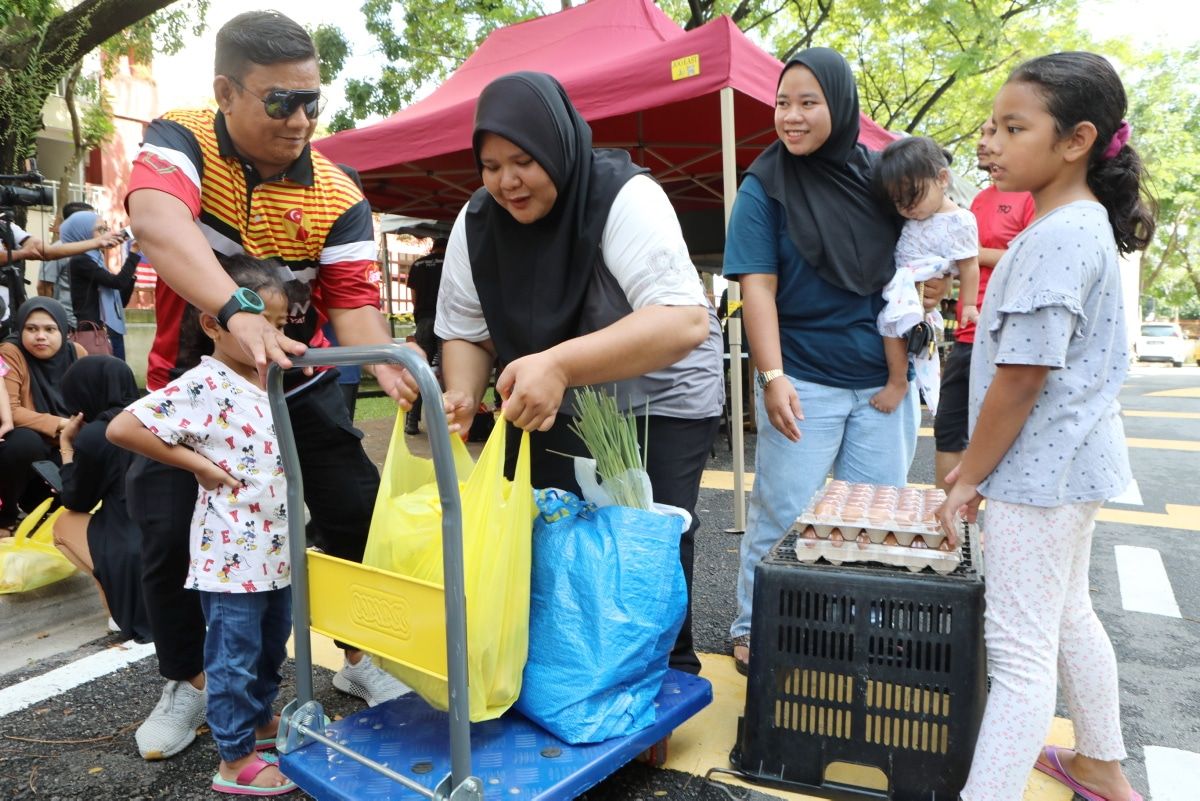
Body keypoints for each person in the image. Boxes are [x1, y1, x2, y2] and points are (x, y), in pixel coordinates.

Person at [123, 10, 415, 761]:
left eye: (313, 99)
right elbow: (157, 224)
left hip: (298, 381)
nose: (302, 118)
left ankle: (357, 657)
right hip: (194, 378)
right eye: (281, 101)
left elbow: (351, 301)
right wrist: (235, 308)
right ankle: (187, 681)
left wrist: (383, 359)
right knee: (163, 532)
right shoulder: (180, 138)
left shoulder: (335, 189)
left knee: (352, 507)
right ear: (226, 91)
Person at [437, 71, 723, 675]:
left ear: (558, 146)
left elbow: (683, 321)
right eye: (490, 166)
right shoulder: (478, 221)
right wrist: (462, 393)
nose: (507, 182)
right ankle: (573, 673)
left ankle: (661, 679)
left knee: (642, 539)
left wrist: (561, 362)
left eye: (523, 160)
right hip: (554, 394)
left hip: (660, 394)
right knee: (556, 529)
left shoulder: (620, 195)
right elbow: (463, 328)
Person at [934, 51, 1155, 801]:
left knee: (1021, 653)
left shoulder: (1059, 234)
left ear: (1076, 140)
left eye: (1011, 126)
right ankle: (1098, 762)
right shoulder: (1075, 224)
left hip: (1039, 473)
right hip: (1072, 465)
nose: (988, 142)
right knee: (1066, 615)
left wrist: (968, 477)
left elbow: (1023, 376)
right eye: (990, 126)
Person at [722, 48, 944, 675]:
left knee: (873, 518)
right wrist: (771, 376)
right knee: (783, 512)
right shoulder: (764, 186)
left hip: (884, 383)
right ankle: (753, 626)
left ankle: (860, 626)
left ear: (840, 105)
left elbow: (923, 249)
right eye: (782, 103)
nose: (791, 117)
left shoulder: (881, 178)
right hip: (804, 379)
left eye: (808, 103)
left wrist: (934, 286)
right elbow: (756, 287)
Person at [109, 258, 297, 796]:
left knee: (268, 647)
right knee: (233, 657)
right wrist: (199, 465)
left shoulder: (265, 380)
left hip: (272, 549)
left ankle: (258, 725)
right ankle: (234, 760)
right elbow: (125, 427)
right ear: (213, 324)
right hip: (231, 556)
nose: (272, 337)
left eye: (281, 326)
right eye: (263, 325)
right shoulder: (205, 381)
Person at [933, 121, 1035, 490]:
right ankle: (948, 528)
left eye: (995, 132)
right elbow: (965, 265)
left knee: (1002, 437)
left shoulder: (1033, 197)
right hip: (966, 333)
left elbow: (1032, 259)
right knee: (948, 430)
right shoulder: (979, 199)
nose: (983, 143)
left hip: (1006, 335)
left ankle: (995, 529)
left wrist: (971, 255)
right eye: (981, 133)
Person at [871, 136, 981, 416]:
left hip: (918, 282)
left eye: (912, 196)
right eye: (898, 201)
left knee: (892, 325)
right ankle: (907, 381)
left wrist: (967, 304)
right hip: (904, 280)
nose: (906, 207)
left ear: (942, 179)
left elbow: (969, 265)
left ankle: (898, 382)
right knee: (902, 332)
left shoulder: (960, 220)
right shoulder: (913, 215)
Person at [52, 355, 152, 643]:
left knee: (64, 523)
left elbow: (76, 500)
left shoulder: (98, 433)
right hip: (177, 543)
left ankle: (116, 605)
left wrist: (67, 450)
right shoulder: (157, 418)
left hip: (132, 551)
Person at [0, 298, 84, 536]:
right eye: (32, 329)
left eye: (50, 329)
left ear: (63, 331)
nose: (40, 336)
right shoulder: (11, 352)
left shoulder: (76, 352)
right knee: (24, 443)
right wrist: (62, 424)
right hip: (28, 446)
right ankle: (4, 518)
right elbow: (11, 410)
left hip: (65, 446)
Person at [62, 210, 139, 359]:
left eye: (106, 228)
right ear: (82, 232)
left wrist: (130, 275)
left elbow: (121, 301)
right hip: (95, 333)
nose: (106, 234)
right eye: (100, 230)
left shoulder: (97, 258)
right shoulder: (80, 260)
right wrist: (134, 254)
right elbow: (117, 282)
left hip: (108, 331)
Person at [404, 236, 446, 435]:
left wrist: (420, 314)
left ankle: (412, 421)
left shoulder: (418, 264)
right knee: (447, 371)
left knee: (421, 369)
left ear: (432, 247)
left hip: (424, 319)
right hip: (447, 322)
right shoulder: (450, 261)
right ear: (446, 248)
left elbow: (413, 295)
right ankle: (445, 423)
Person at [38, 201, 98, 330]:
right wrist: (51, 318)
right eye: (90, 219)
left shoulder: (95, 250)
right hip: (66, 322)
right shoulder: (57, 251)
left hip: (90, 322)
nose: (95, 223)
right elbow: (44, 287)